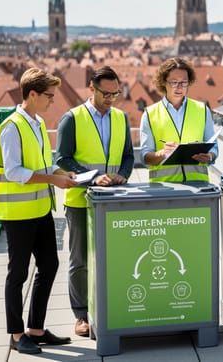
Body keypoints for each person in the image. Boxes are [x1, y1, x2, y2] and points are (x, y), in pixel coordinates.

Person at [0, 68, 75, 354]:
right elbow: (15, 172)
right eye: (49, 95)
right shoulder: (11, 127)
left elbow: (42, 163)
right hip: (17, 214)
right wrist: (53, 179)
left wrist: (60, 171)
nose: (53, 100)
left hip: (40, 209)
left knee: (49, 265)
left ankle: (36, 330)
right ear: (33, 94)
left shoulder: (37, 123)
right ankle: (17, 336)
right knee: (18, 274)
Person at [55, 66, 134, 338]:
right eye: (106, 94)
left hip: (113, 200)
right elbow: (62, 159)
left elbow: (127, 157)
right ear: (92, 89)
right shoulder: (72, 119)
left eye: (115, 94)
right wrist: (95, 177)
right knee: (80, 260)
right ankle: (80, 315)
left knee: (115, 256)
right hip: (80, 200)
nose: (111, 99)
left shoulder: (122, 118)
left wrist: (122, 176)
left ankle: (111, 307)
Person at [139, 57, 218, 182]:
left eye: (184, 82)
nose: (179, 87)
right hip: (164, 189)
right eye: (174, 82)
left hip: (198, 187)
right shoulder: (149, 114)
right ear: (164, 82)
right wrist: (162, 153)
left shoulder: (202, 110)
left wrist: (209, 156)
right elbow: (145, 157)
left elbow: (214, 148)